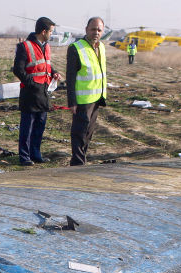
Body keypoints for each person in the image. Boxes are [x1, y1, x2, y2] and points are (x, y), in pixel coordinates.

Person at [12, 17, 62, 166]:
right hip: (30, 93)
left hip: (43, 92)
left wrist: (54, 72)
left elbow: (46, 65)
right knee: (27, 127)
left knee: (40, 125)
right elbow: (18, 70)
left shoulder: (46, 46)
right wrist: (32, 84)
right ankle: (24, 156)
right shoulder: (25, 46)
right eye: (51, 31)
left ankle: (36, 154)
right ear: (44, 31)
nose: (52, 34)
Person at [66, 17, 108, 166]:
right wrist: (72, 102)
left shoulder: (101, 47)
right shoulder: (75, 48)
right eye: (93, 29)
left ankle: (81, 159)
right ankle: (77, 163)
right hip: (82, 100)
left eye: (99, 30)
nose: (96, 32)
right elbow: (70, 77)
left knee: (88, 133)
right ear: (86, 30)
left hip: (96, 97)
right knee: (79, 132)